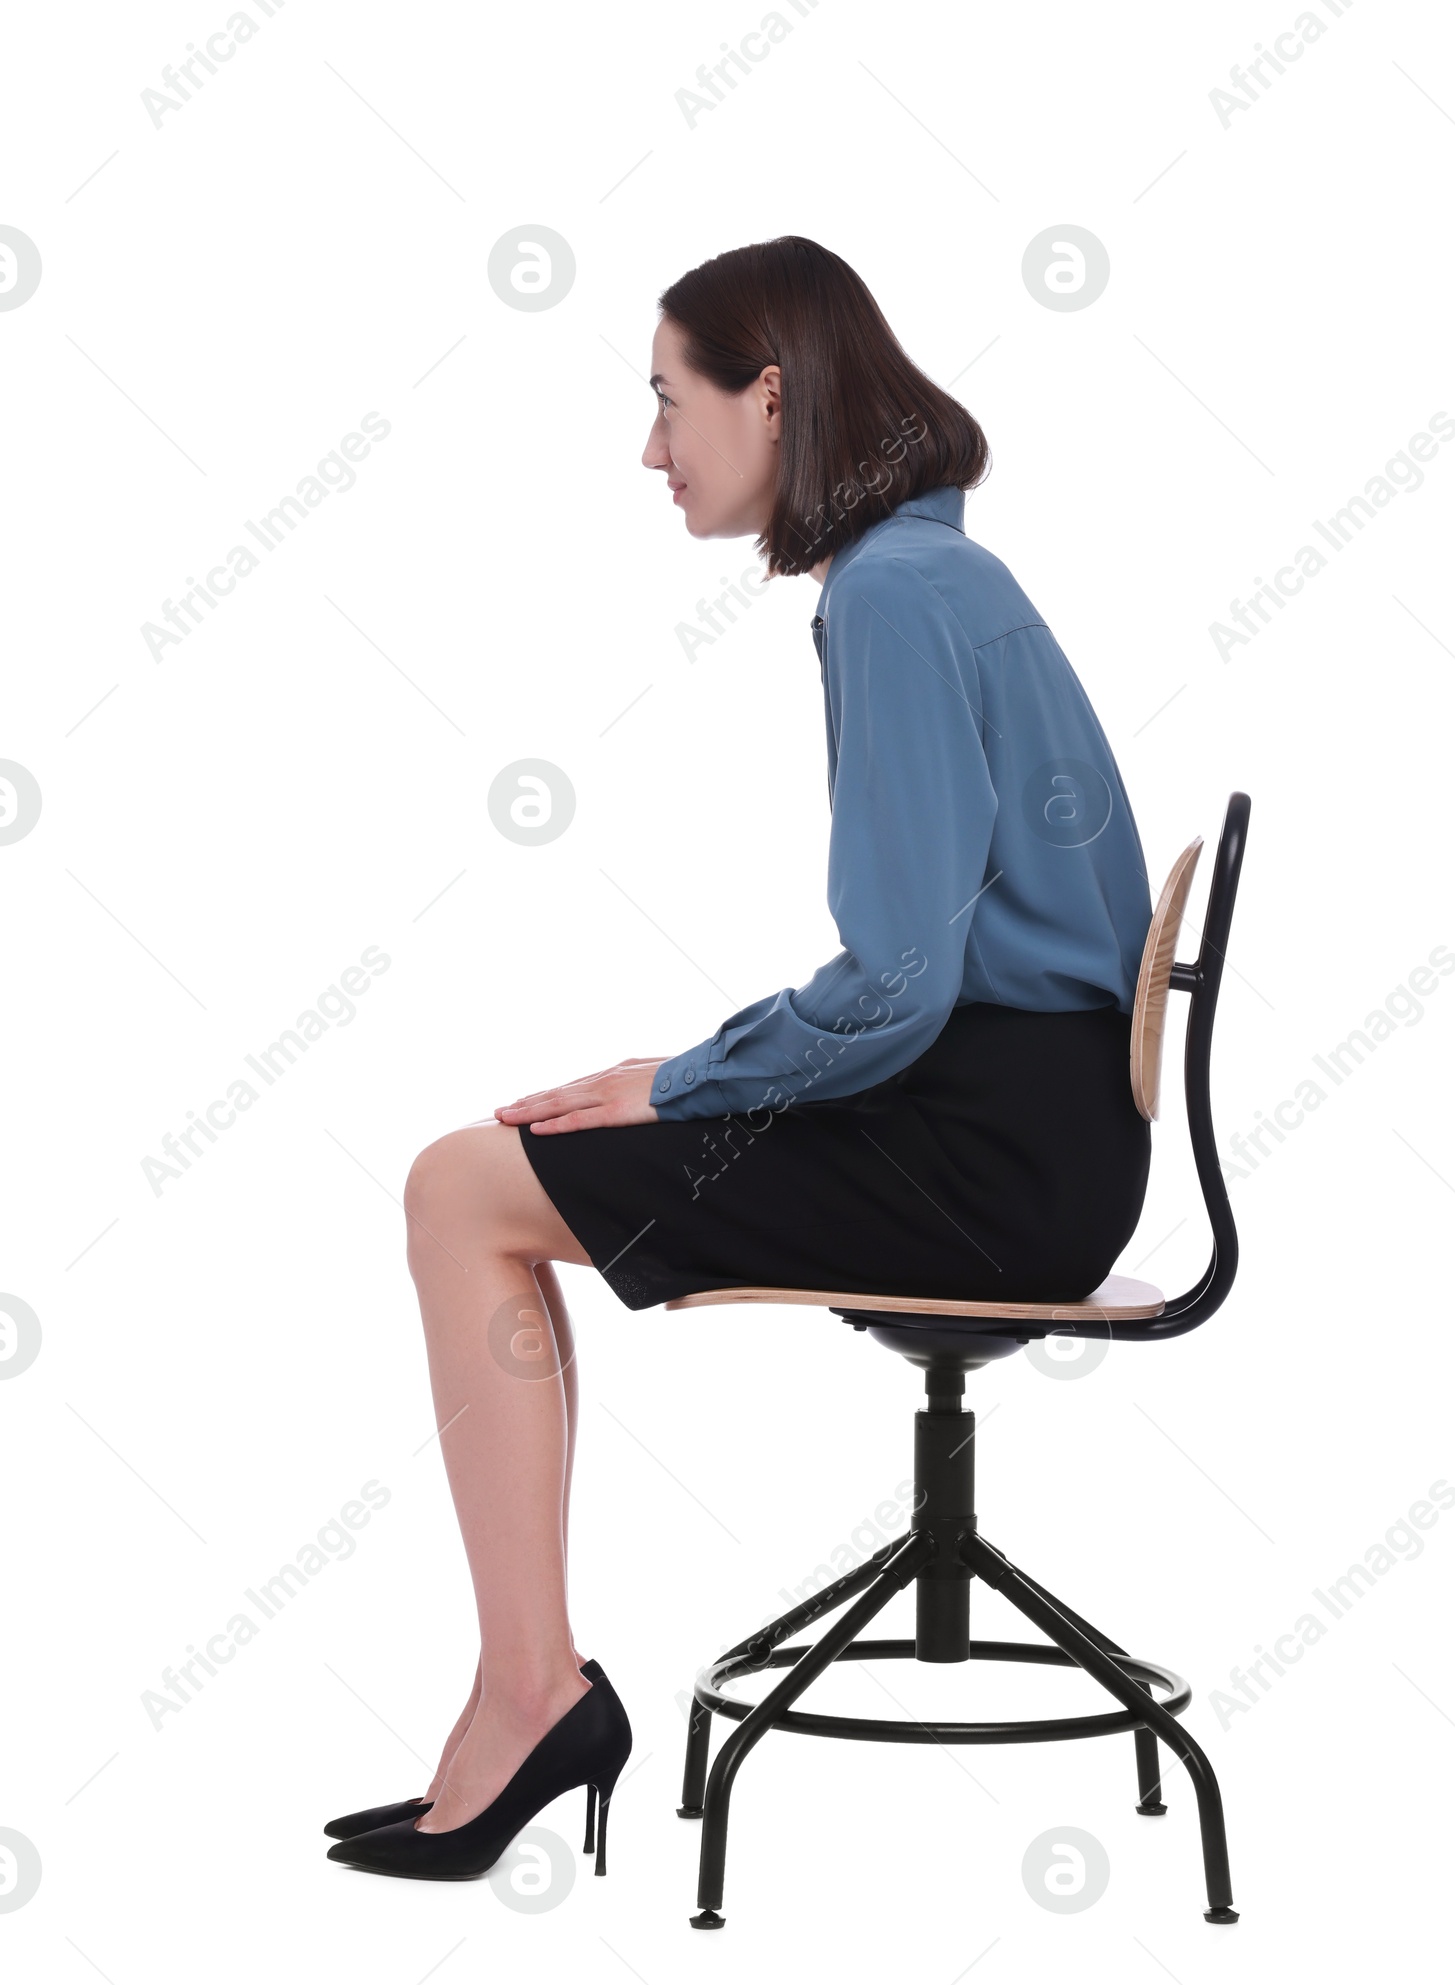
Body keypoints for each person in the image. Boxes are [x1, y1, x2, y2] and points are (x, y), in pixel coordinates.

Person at [325, 235, 1153, 1883]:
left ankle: (532, 1697)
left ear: (769, 395)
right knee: (482, 1180)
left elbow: (902, 984)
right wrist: (696, 1066)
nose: (653, 449)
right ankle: (528, 1693)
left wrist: (689, 1079)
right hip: (1031, 1129)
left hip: (994, 1156)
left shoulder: (899, 596)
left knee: (457, 1189)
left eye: (666, 400)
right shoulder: (935, 576)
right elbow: (922, 976)